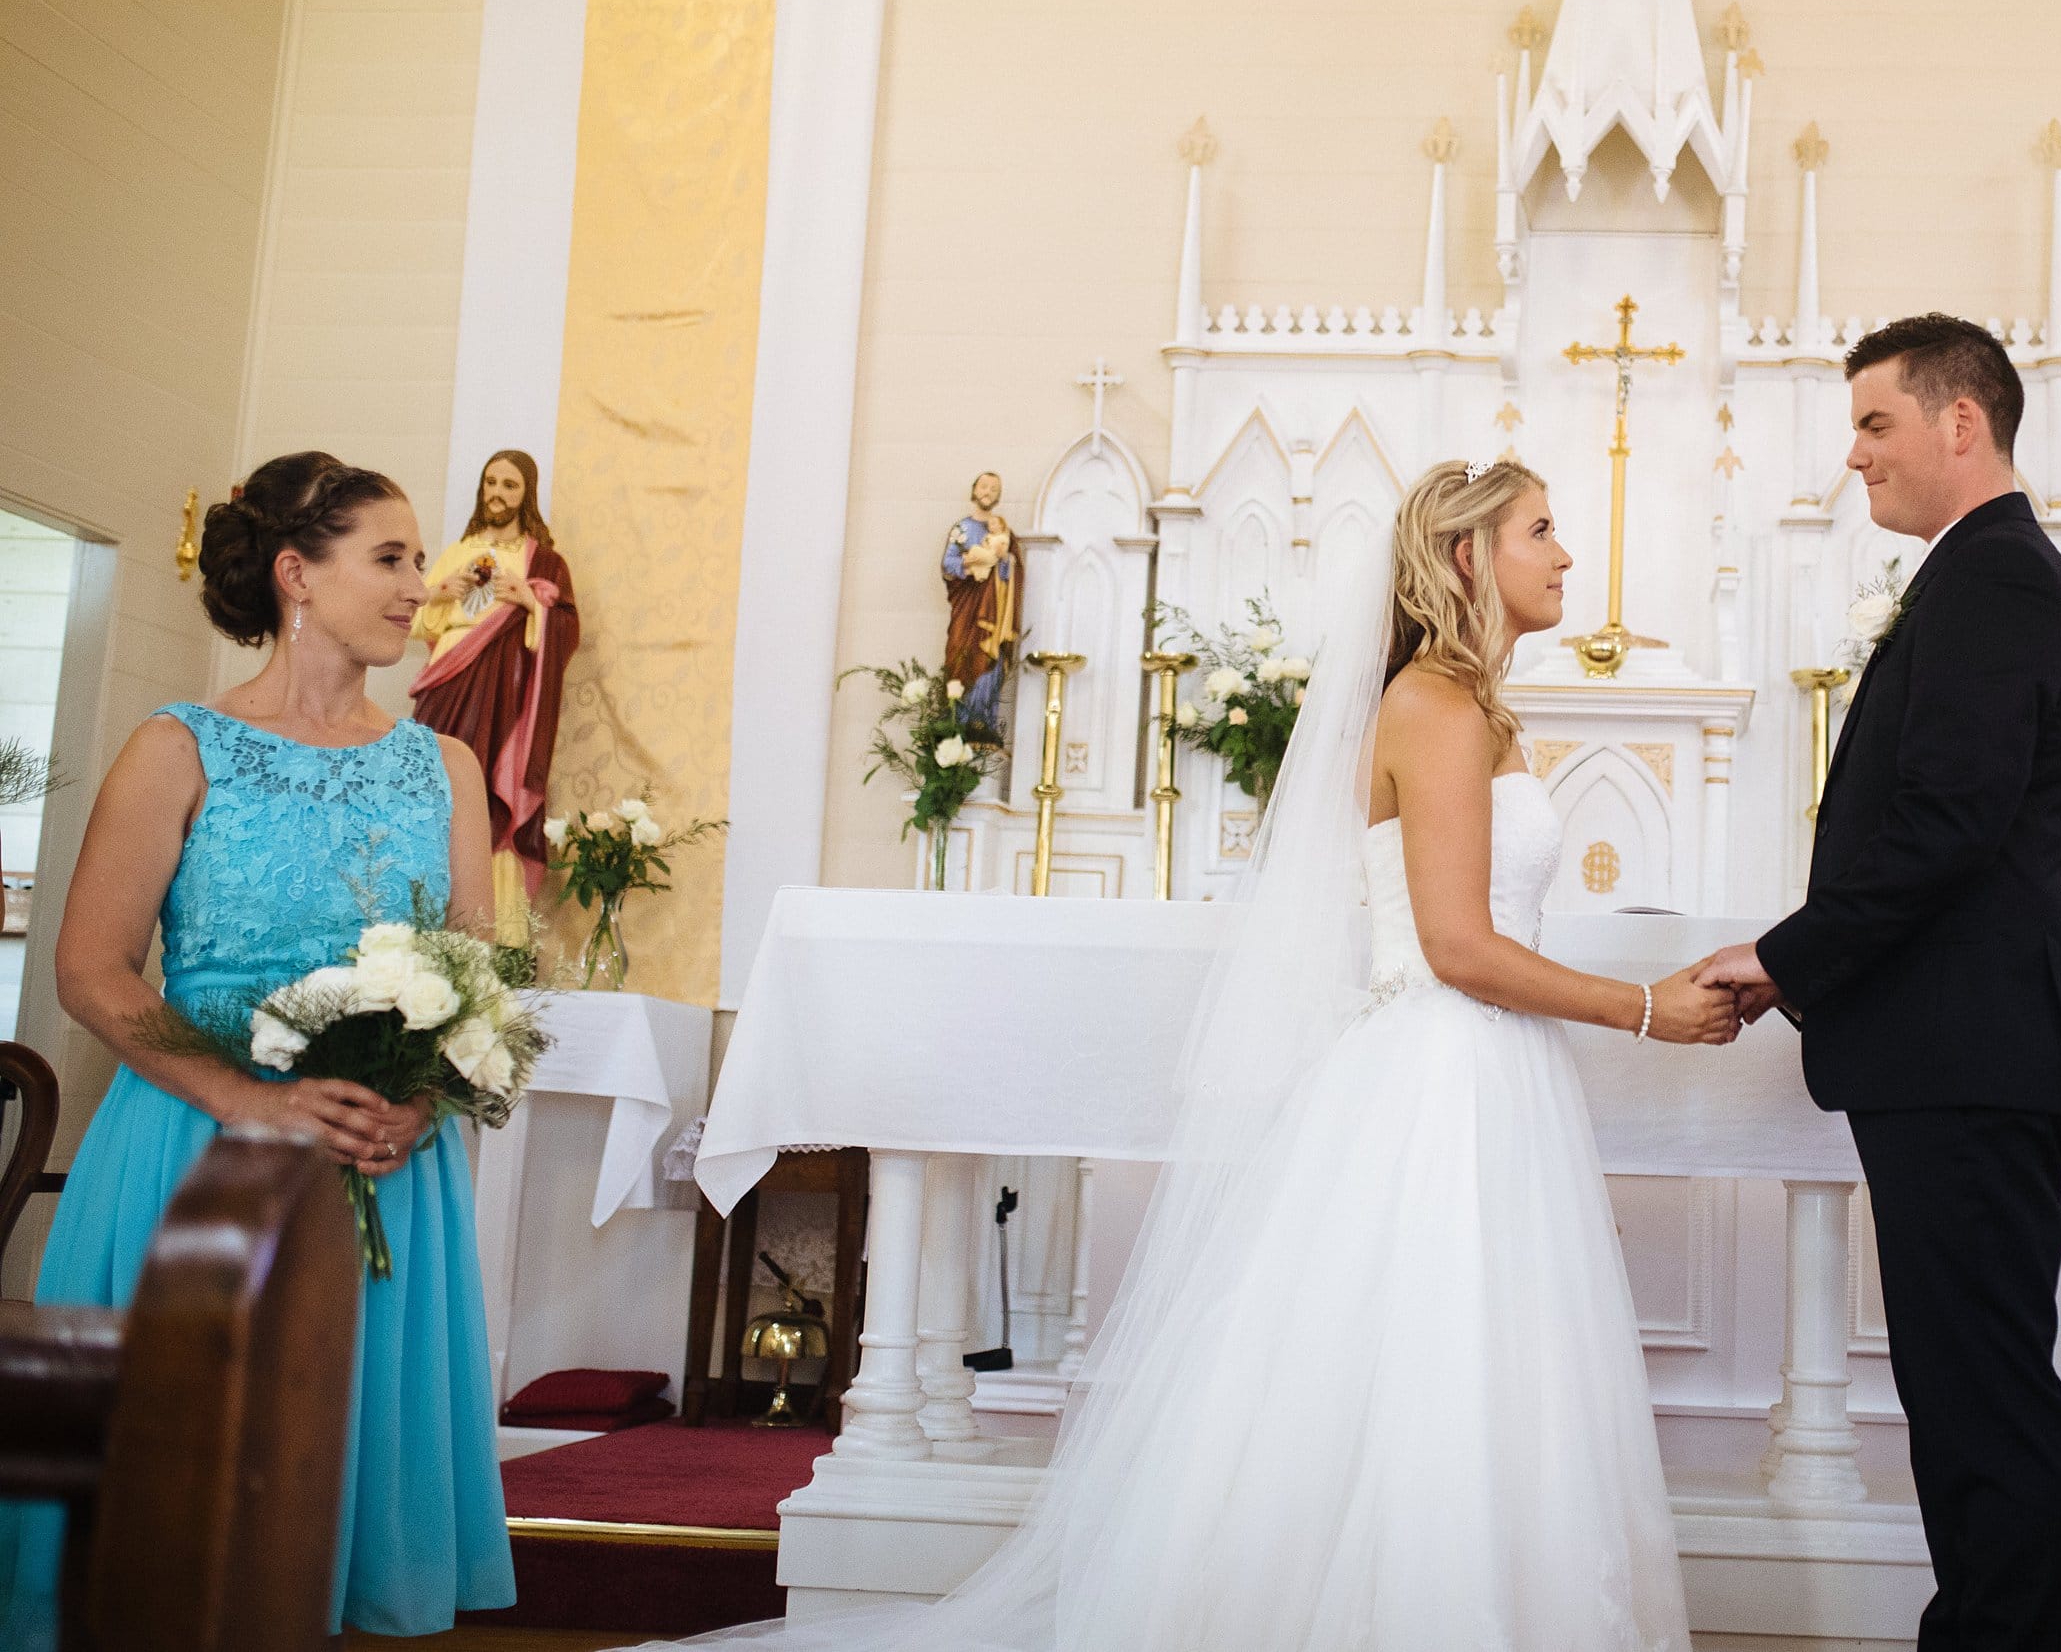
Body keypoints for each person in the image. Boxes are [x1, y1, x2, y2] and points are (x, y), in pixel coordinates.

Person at [634, 456, 1736, 1652]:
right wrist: (1642, 1005)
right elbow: (1458, 945)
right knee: (1430, 1378)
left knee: (1469, 1378)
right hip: (1442, 1067)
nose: (1566, 554)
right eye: (1541, 528)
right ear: (1469, 555)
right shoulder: (1437, 703)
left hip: (1482, 1073)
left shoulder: (1466, 704)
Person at [0, 452, 516, 1645]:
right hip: (194, 1152)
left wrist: (423, 1105)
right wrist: (251, 1100)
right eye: (389, 558)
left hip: (383, 1166)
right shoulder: (177, 748)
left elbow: (475, 976)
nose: (417, 587)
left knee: (340, 1480)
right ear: (297, 573)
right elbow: (89, 968)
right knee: (165, 1516)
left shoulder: (445, 767)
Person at [1693, 314, 2061, 1652]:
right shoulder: (1983, 570)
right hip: (1956, 1048)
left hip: (1967, 1050)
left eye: (1875, 421)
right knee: (1963, 1390)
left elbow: (1943, 822)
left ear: (1960, 422)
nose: (1853, 453)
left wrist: (1783, 954)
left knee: (1980, 1397)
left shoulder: (1993, 578)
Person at [411, 448, 579, 956]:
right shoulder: (458, 551)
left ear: (525, 494)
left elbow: (567, 628)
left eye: (509, 485)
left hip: (504, 693)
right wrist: (442, 591)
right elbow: (413, 620)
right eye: (491, 483)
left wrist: (529, 603)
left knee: (489, 793)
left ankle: (498, 932)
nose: (498, 494)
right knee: (436, 792)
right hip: (448, 681)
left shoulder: (544, 562)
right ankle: (427, 923)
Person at [942, 471, 1021, 735]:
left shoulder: (1005, 532)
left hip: (993, 611)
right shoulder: (962, 529)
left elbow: (1013, 571)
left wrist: (1004, 560)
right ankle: (958, 720)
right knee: (959, 653)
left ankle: (982, 720)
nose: (988, 492)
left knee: (989, 658)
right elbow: (947, 564)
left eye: (994, 489)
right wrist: (970, 560)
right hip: (968, 607)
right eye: (984, 487)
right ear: (974, 490)